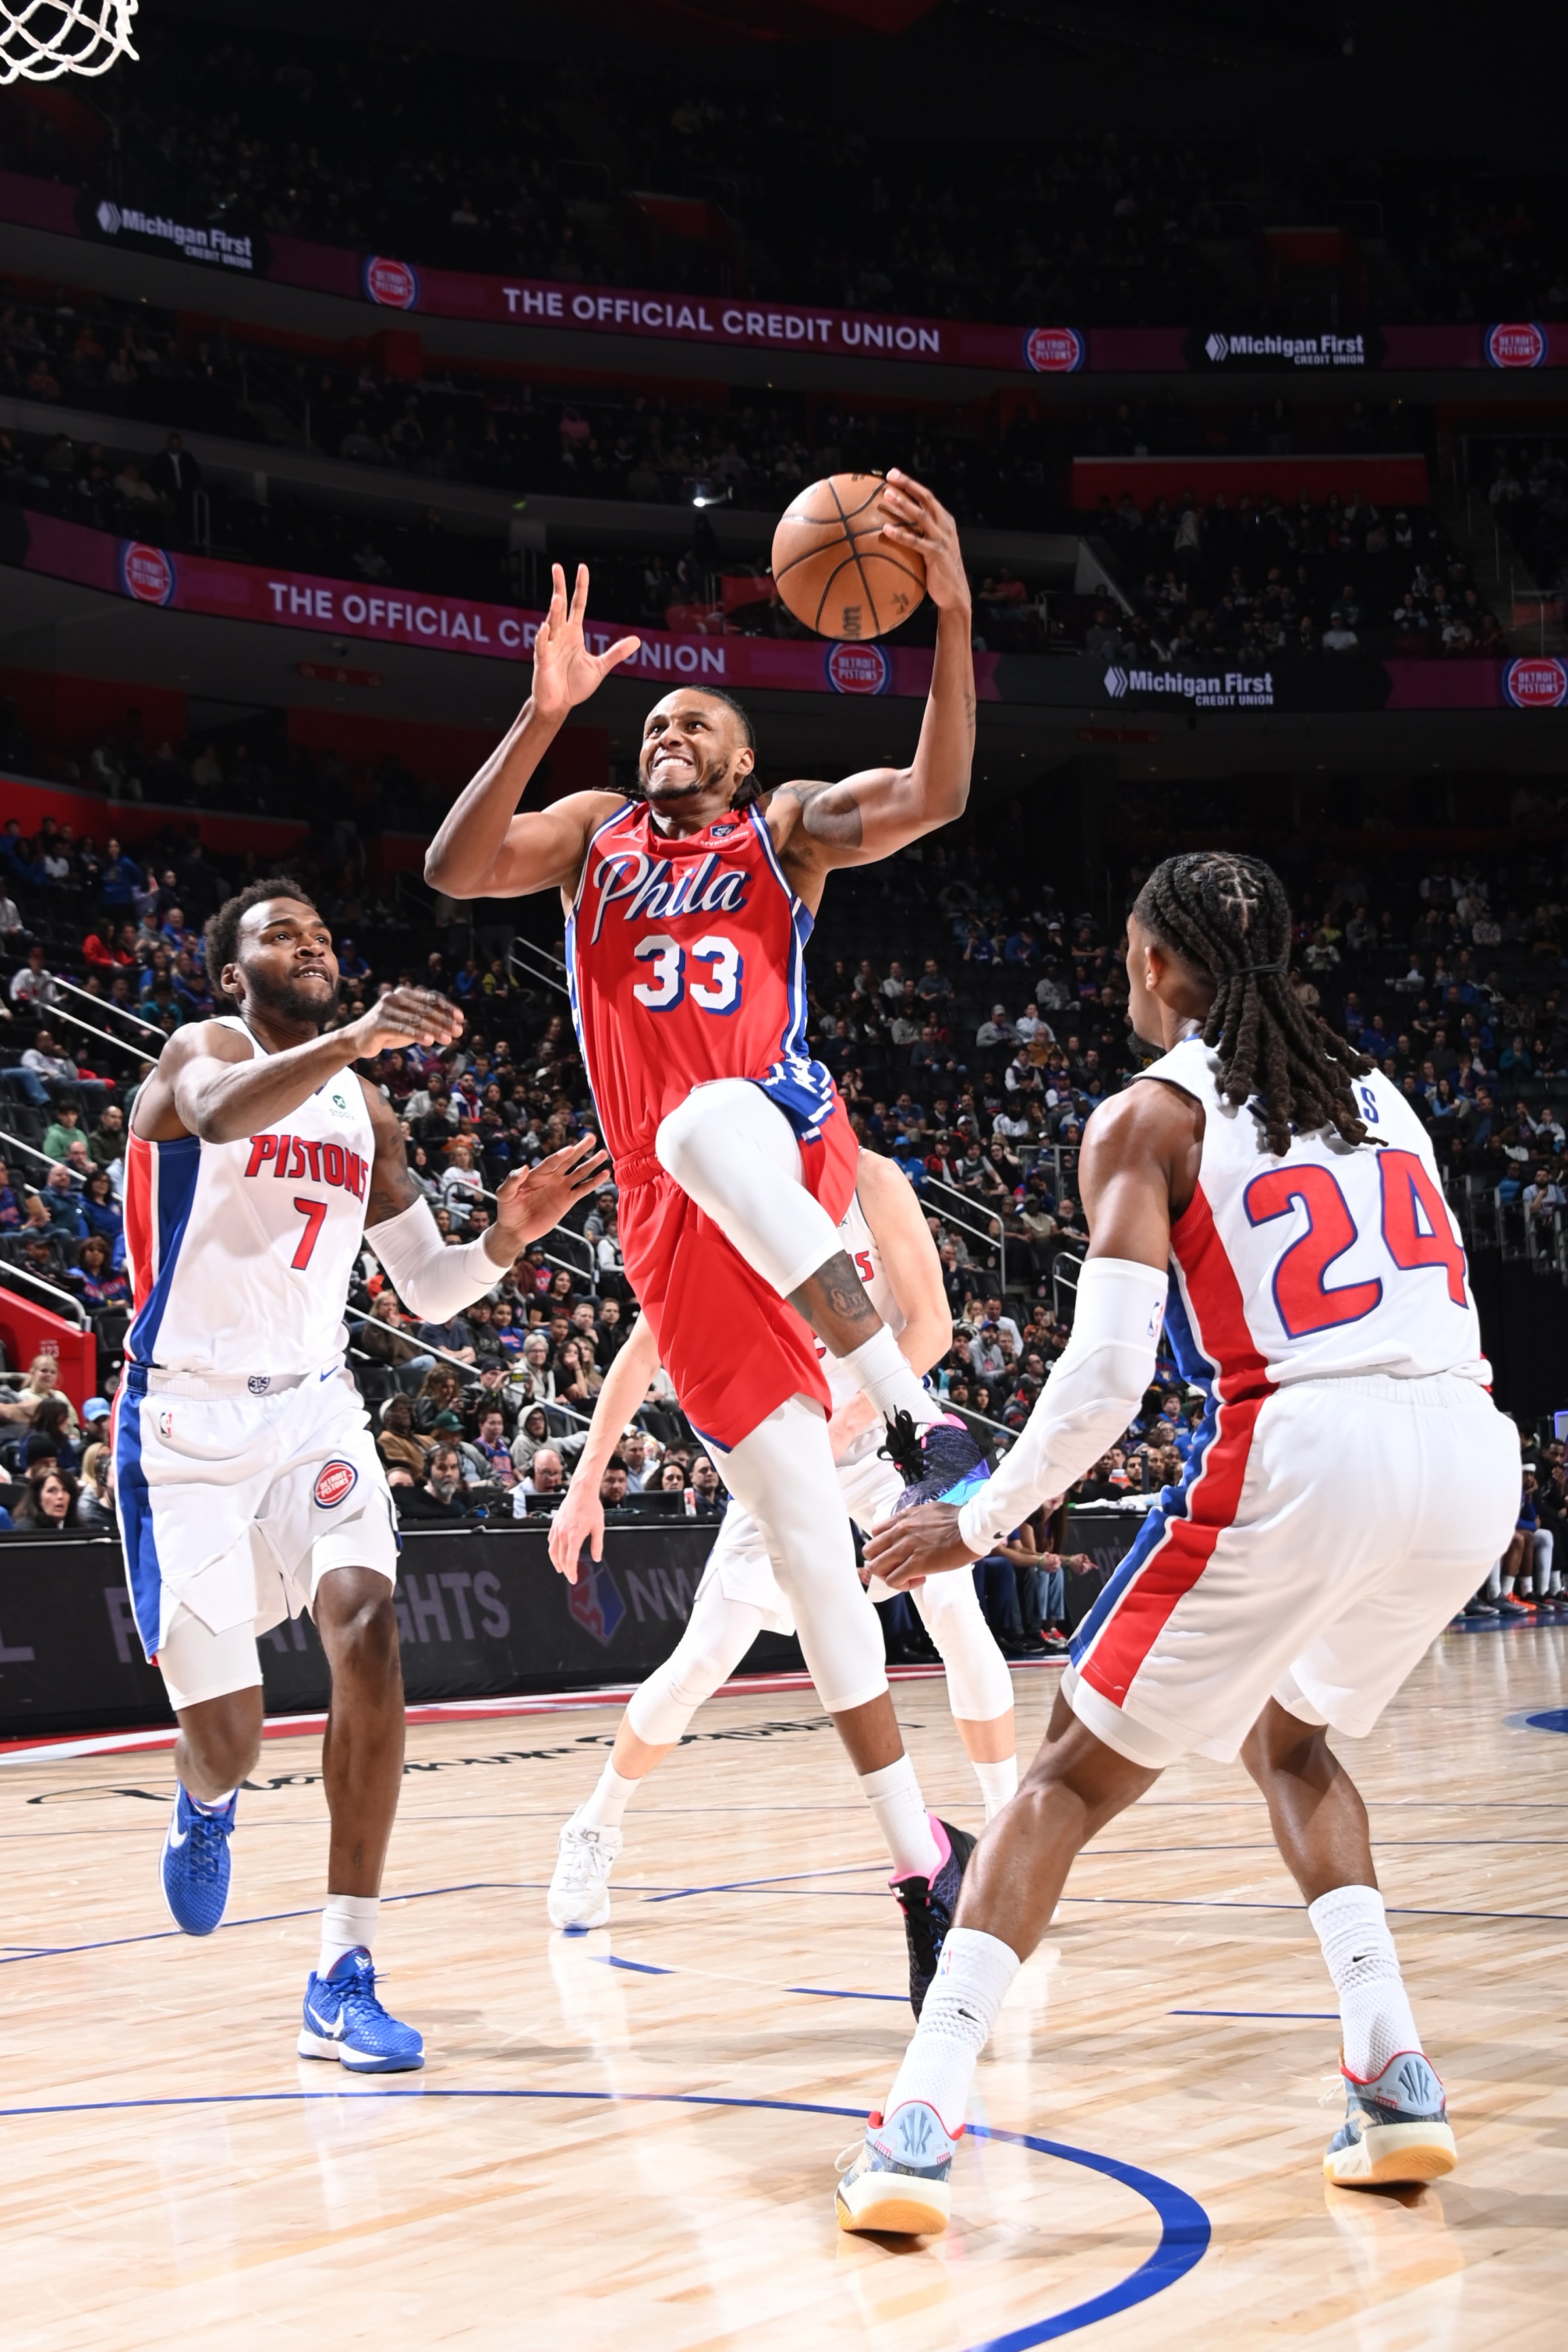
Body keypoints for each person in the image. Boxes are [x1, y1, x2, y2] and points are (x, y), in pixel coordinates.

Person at [836, 848, 1519, 2236]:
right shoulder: (1384, 1094)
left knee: (1068, 1782)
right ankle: (1392, 2074)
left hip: (1307, 1440)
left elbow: (1103, 1383)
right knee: (1293, 1738)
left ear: (1157, 961)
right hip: (1469, 1445)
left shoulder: (1148, 1115)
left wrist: (974, 1518)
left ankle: (917, 2117)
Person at [428, 488, 989, 1998]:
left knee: (697, 1121)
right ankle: (918, 1864)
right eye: (653, 719)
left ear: (740, 759)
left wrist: (946, 614)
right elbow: (449, 865)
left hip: (780, 1145)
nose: (667, 729)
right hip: (677, 1249)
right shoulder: (582, 841)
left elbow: (931, 794)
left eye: (696, 720)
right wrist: (540, 715)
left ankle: (932, 1424)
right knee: (814, 1573)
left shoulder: (782, 831)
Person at [112, 878, 607, 2072]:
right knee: (229, 1734)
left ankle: (343, 1967)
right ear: (235, 970)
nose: (312, 946)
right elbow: (221, 1116)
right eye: (283, 935)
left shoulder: (365, 1112)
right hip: (181, 1427)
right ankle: (207, 1791)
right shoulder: (201, 1051)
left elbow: (429, 1286)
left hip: (316, 1412)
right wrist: (352, 1035)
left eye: (324, 933)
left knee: (370, 1622)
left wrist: (507, 1234)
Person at [546, 1151, 1019, 1948]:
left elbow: (931, 1325)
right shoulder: (719, 1181)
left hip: (895, 1424)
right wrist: (586, 1478)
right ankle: (595, 1825)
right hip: (784, 1438)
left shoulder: (870, 1178)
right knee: (706, 1654)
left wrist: (852, 1412)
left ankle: (1010, 1836)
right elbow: (646, 1346)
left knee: (954, 1605)